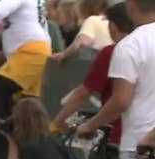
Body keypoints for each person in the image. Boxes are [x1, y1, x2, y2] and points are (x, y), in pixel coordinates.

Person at [77, 0, 155, 159]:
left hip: (140, 143)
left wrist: (90, 125)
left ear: (132, 5)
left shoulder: (131, 45)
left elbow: (121, 101)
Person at [52, 2, 135, 146]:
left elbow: (84, 92)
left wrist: (58, 120)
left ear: (113, 26)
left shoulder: (112, 52)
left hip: (121, 133)